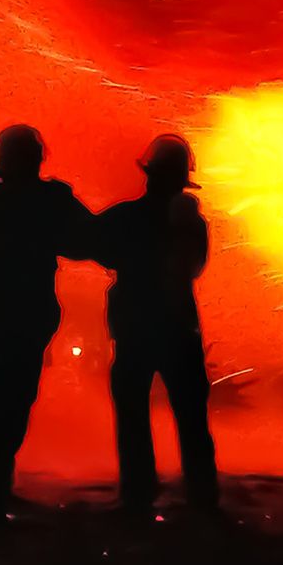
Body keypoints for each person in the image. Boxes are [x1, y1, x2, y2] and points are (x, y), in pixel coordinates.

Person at [0, 124, 93, 522]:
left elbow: (83, 240)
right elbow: (86, 241)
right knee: (2, 408)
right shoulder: (17, 196)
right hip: (9, 318)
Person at [92, 133, 220, 514]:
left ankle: (138, 496)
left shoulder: (125, 217)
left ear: (148, 173)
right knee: (191, 416)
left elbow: (95, 247)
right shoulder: (191, 224)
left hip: (135, 329)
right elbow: (195, 267)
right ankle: (202, 498)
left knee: (133, 414)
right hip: (178, 329)